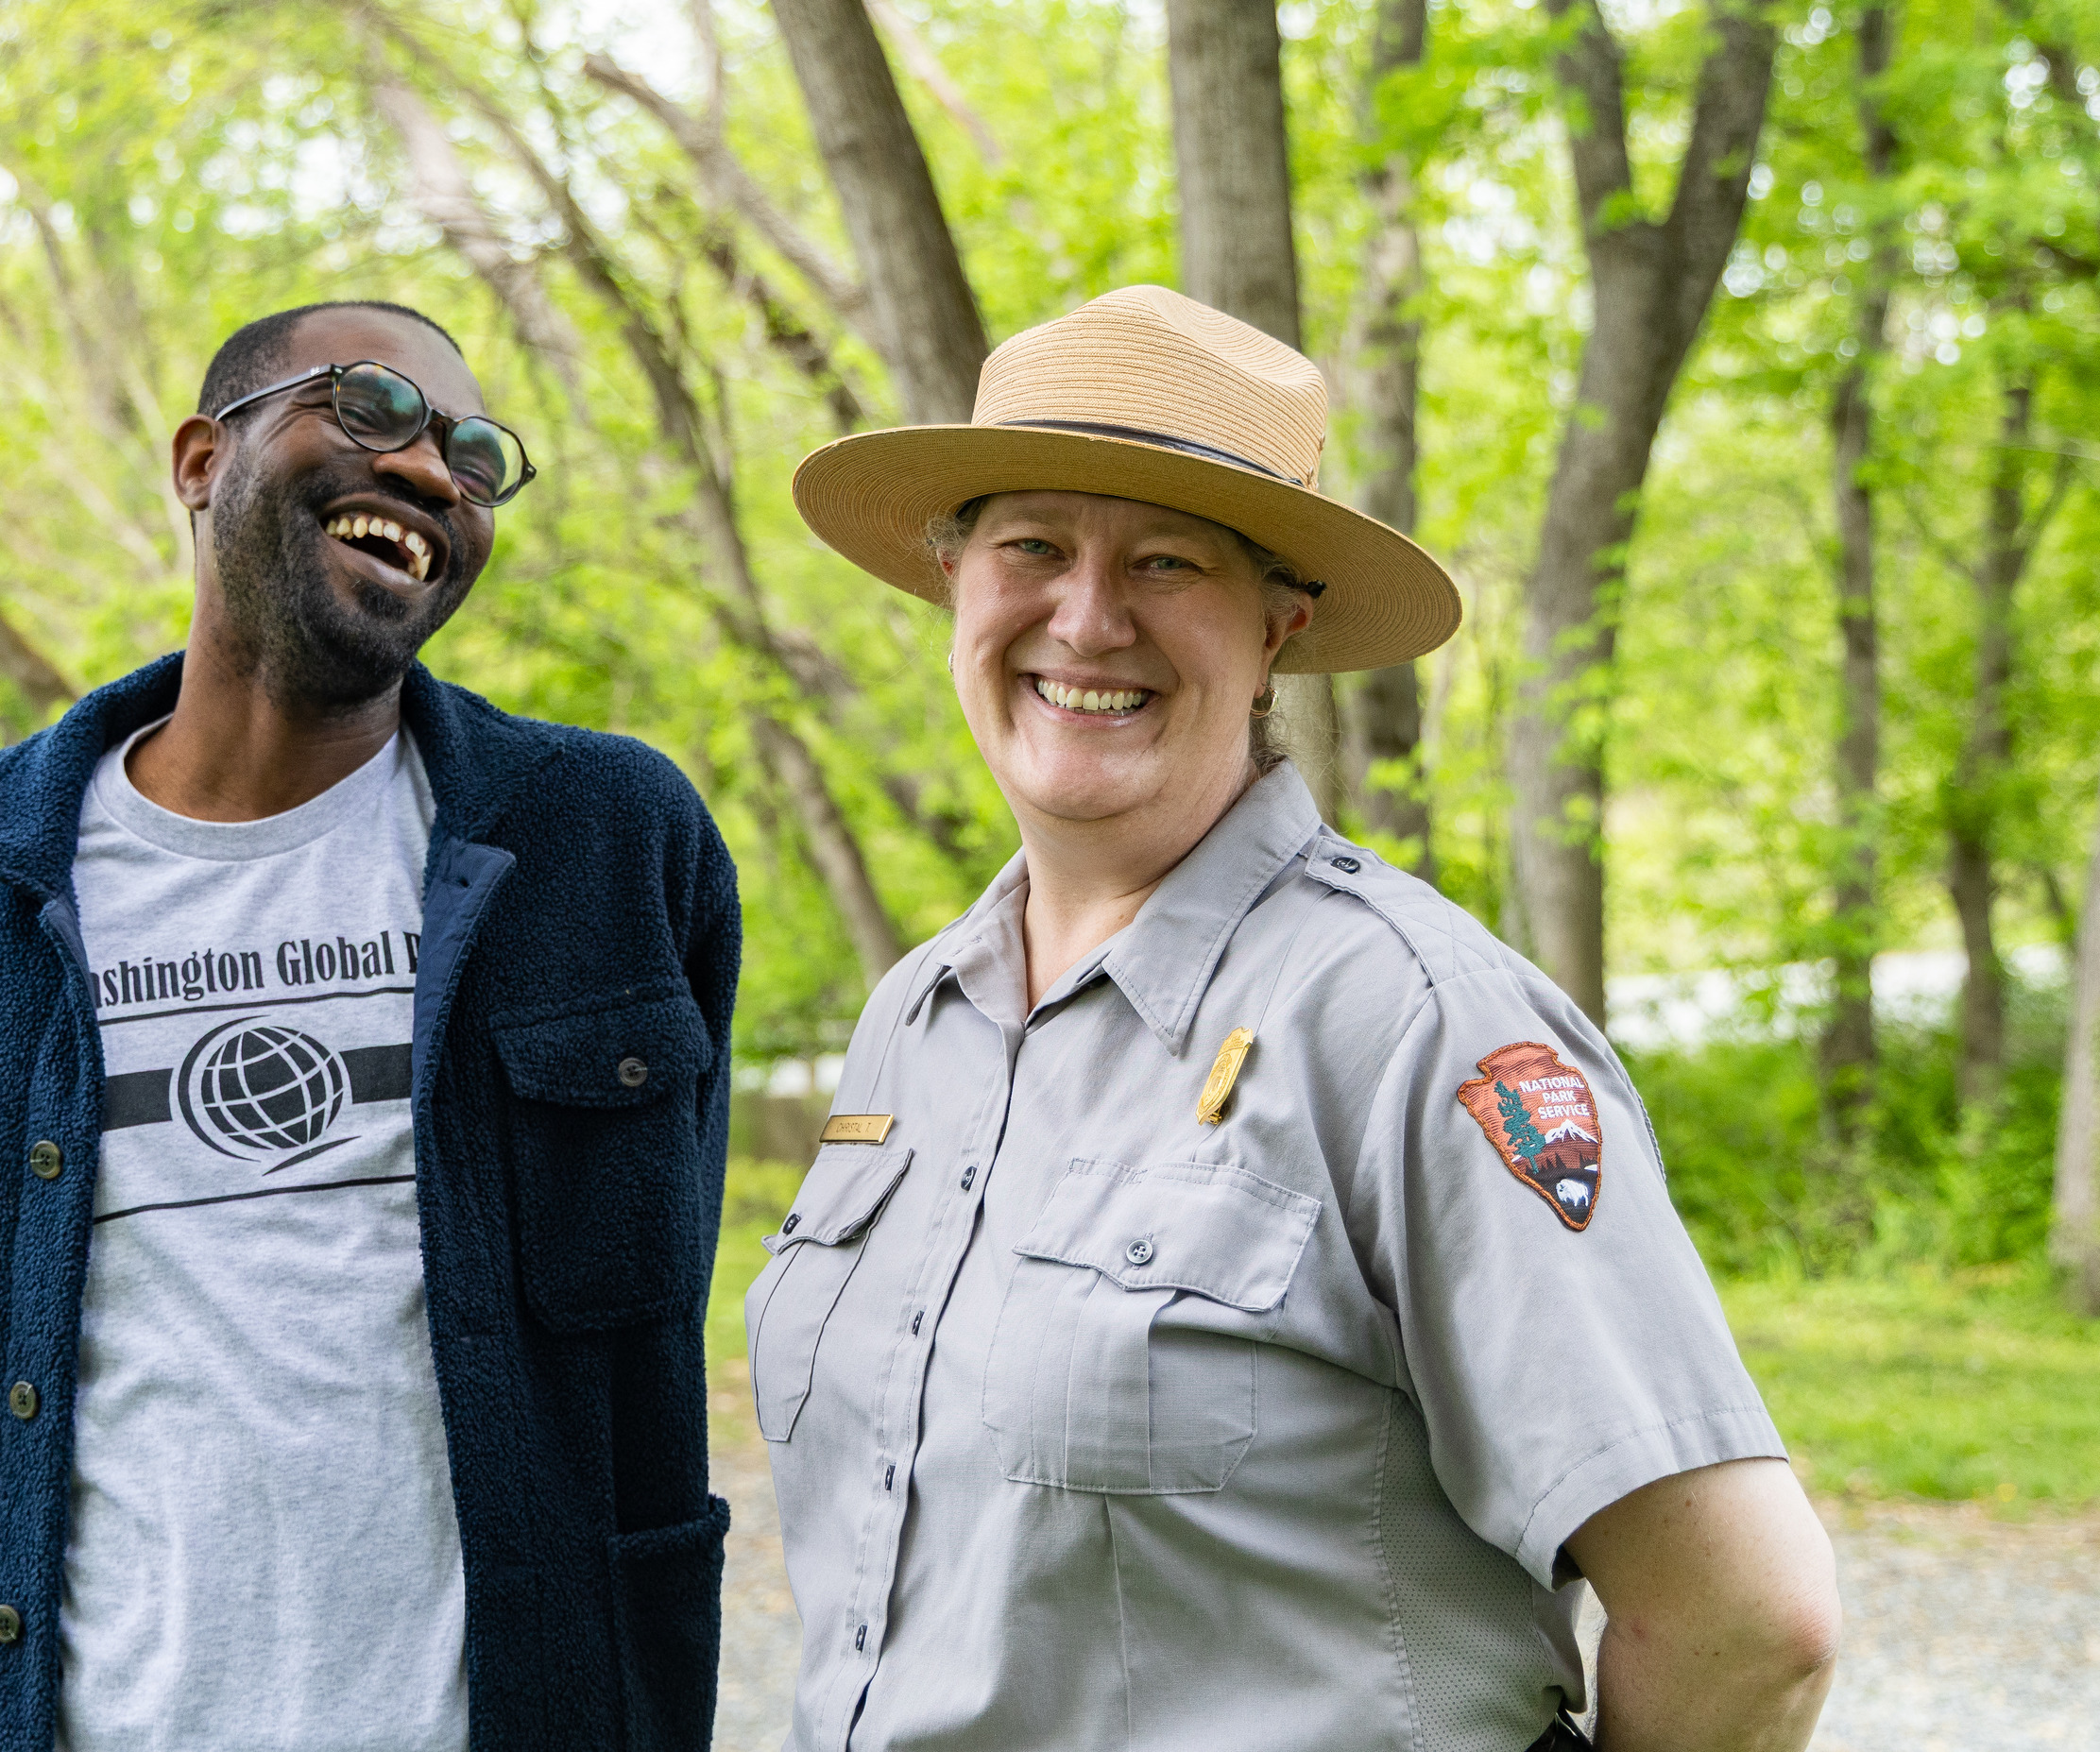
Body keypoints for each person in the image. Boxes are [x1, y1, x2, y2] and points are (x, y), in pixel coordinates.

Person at [756, 284, 1840, 1752]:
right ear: (956, 586)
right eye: (1030, 547)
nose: (1086, 615)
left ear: (1280, 625)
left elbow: (1746, 1621)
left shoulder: (1408, 1022)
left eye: (1167, 559)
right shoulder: (916, 1021)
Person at [0, 300, 741, 1752]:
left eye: (479, 457)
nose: (439, 473)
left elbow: (649, 1347)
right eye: (373, 405)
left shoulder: (608, 846)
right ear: (202, 460)